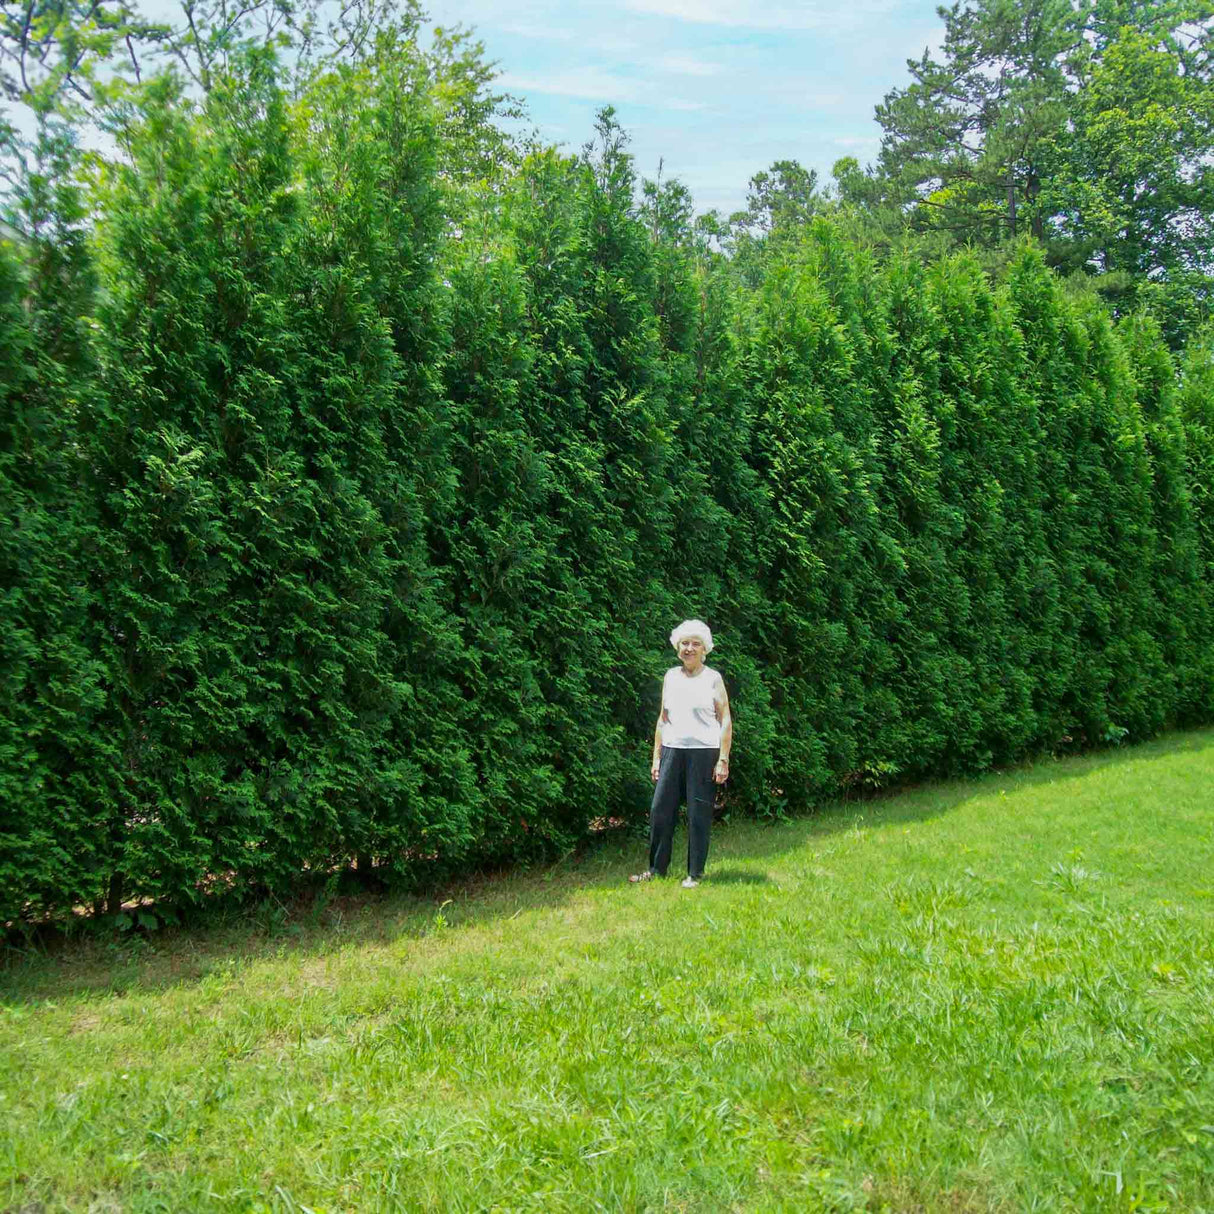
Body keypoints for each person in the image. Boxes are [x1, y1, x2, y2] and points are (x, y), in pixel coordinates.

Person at [630, 619, 732, 888]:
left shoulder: (713, 678)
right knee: (660, 811)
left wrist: (723, 759)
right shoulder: (671, 677)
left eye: (696, 644)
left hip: (703, 753)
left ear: (704, 649)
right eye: (685, 643)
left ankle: (695, 873)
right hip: (672, 752)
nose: (689, 648)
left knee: (698, 814)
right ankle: (656, 870)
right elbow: (662, 720)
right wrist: (656, 757)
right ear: (677, 648)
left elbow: (725, 720)